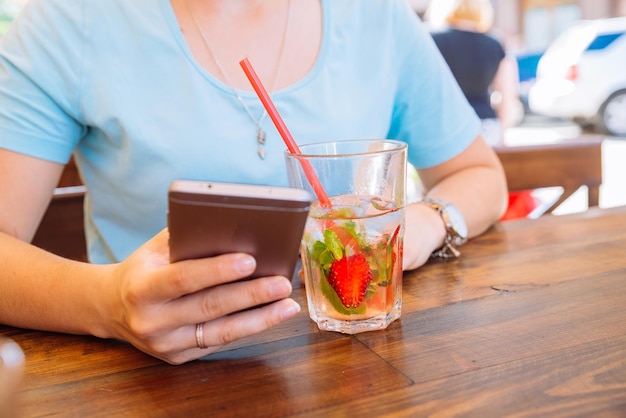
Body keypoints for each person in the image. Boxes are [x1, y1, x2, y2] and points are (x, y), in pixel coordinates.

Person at [0, 0, 508, 364]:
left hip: (349, 360)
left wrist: (420, 225)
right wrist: (107, 304)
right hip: (139, 375)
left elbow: (479, 176)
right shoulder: (71, 19)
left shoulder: (376, 16)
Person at [426, 0, 521, 147]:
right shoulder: (495, 44)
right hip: (485, 128)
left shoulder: (431, 39)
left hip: (443, 127)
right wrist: (502, 132)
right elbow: (507, 97)